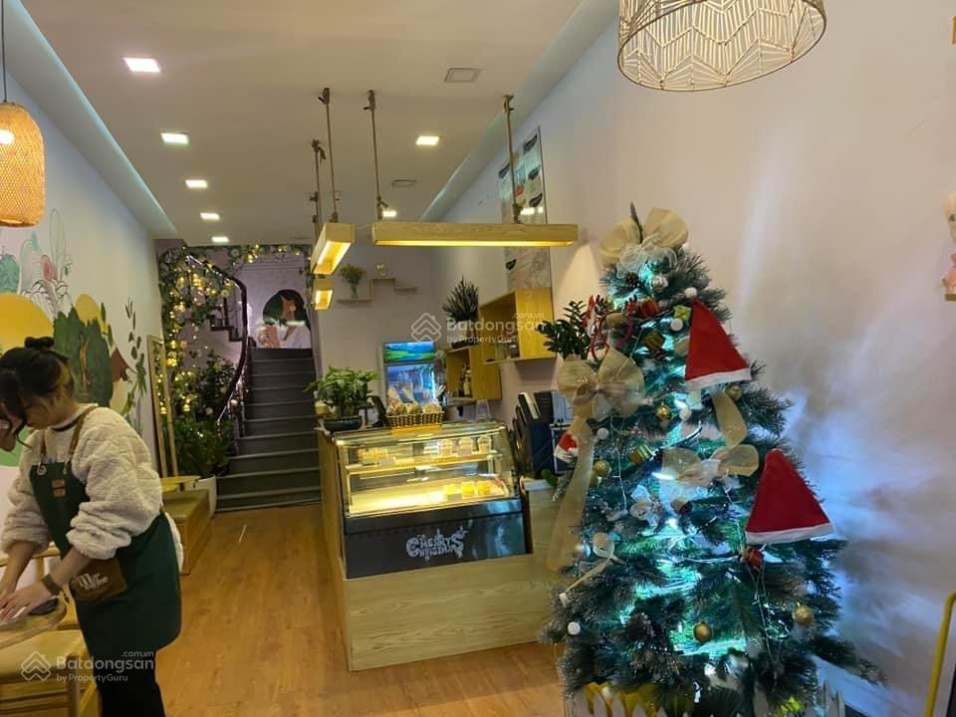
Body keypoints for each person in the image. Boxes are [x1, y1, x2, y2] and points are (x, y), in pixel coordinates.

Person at [0, 337, 181, 716]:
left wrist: (48, 585)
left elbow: (106, 521)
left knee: (131, 682)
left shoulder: (103, 431)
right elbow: (28, 515)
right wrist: (9, 582)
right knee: (111, 677)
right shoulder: (39, 444)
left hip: (135, 572)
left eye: (25, 408)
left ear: (53, 393)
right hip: (90, 574)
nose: (22, 420)